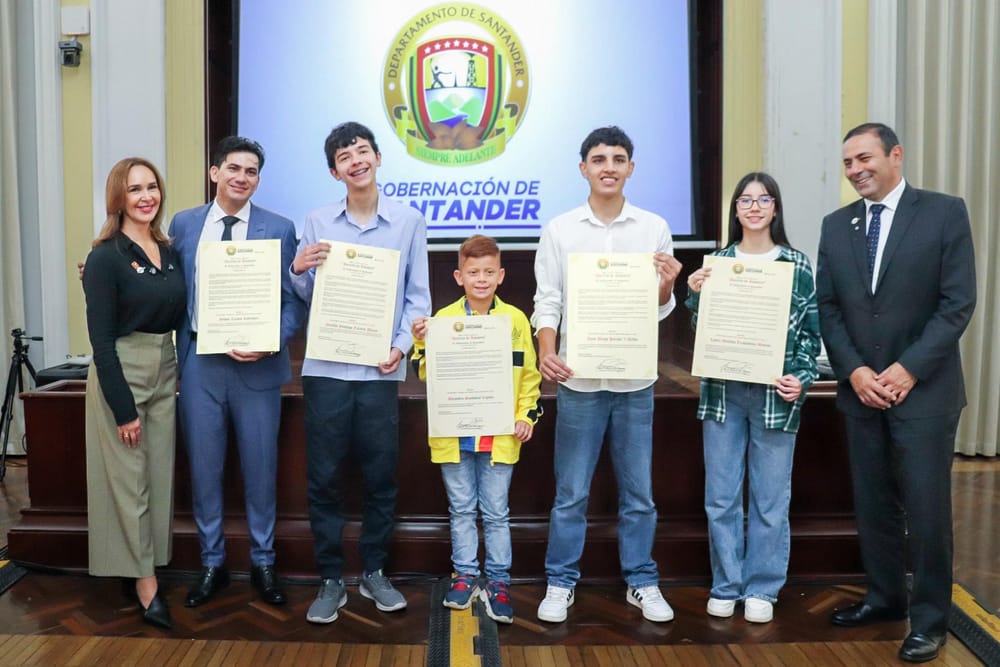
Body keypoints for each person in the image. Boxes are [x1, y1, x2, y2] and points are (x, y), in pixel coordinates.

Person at [817, 122, 976, 663]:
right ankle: (885, 598)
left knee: (926, 510)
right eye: (847, 163)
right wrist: (855, 371)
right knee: (874, 504)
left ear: (895, 155)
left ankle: (929, 620)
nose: (856, 169)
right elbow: (829, 308)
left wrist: (907, 370)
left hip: (925, 394)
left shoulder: (943, 212)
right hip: (860, 392)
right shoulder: (836, 226)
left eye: (864, 158)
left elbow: (957, 303)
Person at [532, 126, 682, 623]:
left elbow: (659, 310)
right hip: (578, 381)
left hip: (634, 383)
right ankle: (560, 581)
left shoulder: (654, 227)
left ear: (631, 168)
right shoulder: (560, 229)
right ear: (584, 169)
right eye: (599, 159)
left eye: (619, 159)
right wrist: (547, 353)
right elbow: (548, 300)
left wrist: (664, 288)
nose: (609, 167)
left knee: (639, 493)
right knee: (570, 491)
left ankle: (641, 580)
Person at [291, 121, 431, 624]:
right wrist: (299, 269)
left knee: (379, 477)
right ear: (335, 171)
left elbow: (418, 297)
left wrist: (399, 347)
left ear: (376, 158)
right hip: (327, 368)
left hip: (379, 370)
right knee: (324, 477)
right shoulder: (316, 220)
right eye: (345, 156)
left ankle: (373, 571)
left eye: (363, 150)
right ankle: (331, 578)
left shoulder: (409, 221)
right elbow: (308, 299)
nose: (356, 160)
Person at [169, 136, 305, 608]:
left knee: (260, 469)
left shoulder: (280, 227)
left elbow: (294, 303)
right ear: (214, 173)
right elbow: (167, 287)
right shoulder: (184, 225)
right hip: (200, 365)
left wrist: (272, 339)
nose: (241, 178)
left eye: (250, 172)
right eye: (233, 168)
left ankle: (263, 563)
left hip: (259, 367)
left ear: (258, 180)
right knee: (204, 470)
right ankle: (213, 562)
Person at [685, 172, 820, 624]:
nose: (755, 206)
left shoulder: (797, 265)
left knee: (769, 498)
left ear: (776, 208)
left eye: (764, 199)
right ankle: (726, 583)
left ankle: (762, 586)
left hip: (776, 397)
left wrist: (800, 379)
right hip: (723, 393)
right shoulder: (717, 263)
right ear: (736, 210)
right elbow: (701, 335)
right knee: (721, 496)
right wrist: (695, 295)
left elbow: (809, 337)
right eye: (746, 199)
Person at [410, 234, 543, 624]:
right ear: (458, 276)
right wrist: (422, 344)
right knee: (462, 509)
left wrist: (525, 415)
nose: (481, 279)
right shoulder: (444, 320)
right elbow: (425, 374)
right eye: (473, 272)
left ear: (501, 275)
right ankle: (465, 575)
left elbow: (530, 376)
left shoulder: (516, 320)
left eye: (488, 272)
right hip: (456, 435)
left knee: (497, 512)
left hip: (500, 436)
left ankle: (499, 581)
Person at [82, 157, 185, 629]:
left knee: (157, 477)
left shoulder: (169, 247)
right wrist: (123, 410)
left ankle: (142, 565)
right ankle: (145, 586)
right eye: (135, 189)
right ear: (118, 198)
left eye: (152, 187)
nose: (146, 196)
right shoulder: (105, 256)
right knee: (129, 483)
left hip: (165, 367)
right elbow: (101, 342)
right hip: (120, 372)